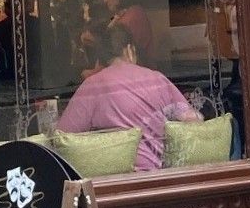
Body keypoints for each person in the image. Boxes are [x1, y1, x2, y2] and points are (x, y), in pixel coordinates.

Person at [56, 20, 200, 171]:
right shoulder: (157, 79)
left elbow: (62, 138)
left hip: (115, 183)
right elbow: (193, 121)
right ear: (129, 50)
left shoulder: (93, 85)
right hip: (159, 178)